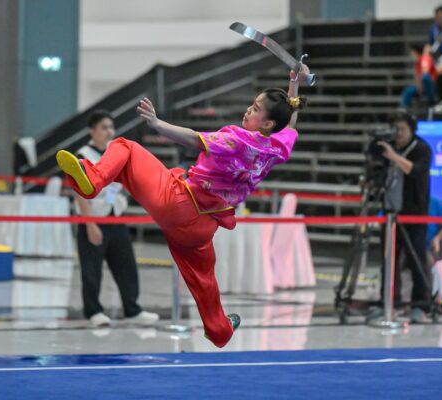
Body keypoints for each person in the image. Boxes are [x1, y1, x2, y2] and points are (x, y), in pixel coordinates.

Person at [57, 67, 310, 348]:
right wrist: (294, 85)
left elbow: (192, 138)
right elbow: (290, 125)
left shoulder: (237, 138)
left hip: (179, 203)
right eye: (252, 104)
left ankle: (92, 180)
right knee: (204, 279)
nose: (248, 110)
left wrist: (157, 124)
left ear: (267, 123)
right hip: (203, 226)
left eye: (256, 109)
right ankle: (219, 330)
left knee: (125, 147)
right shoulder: (277, 147)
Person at [74, 110, 159, 327]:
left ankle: (132, 310)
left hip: (116, 217)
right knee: (92, 269)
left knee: (126, 265)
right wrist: (90, 224)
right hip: (94, 218)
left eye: (111, 127)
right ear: (92, 131)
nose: (109, 132)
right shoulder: (82, 155)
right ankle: (93, 311)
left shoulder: (116, 152)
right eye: (104, 127)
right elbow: (79, 194)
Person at [373, 111, 432, 323]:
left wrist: (394, 156)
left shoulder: (422, 149)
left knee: (416, 260)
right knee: (388, 261)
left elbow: (415, 171)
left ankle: (420, 305)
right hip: (391, 212)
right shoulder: (390, 147)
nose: (397, 133)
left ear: (412, 130)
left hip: (414, 214)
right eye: (395, 129)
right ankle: (389, 302)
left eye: (402, 129)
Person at [400, 44, 437, 109]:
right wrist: (419, 86)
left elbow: (425, 72)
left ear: (416, 52)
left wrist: (420, 86)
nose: (411, 55)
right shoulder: (417, 63)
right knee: (408, 90)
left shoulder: (425, 58)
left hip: (431, 86)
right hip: (421, 87)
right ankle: (403, 109)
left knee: (425, 78)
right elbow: (417, 78)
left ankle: (431, 101)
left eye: (412, 53)